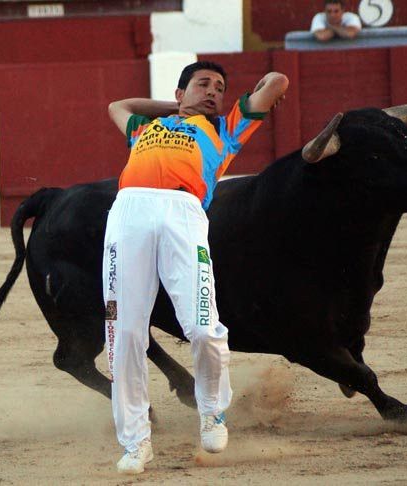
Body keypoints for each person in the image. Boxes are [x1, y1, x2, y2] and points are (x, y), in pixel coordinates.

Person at [104, 61, 288, 474]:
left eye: (219, 87)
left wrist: (208, 106)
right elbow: (117, 104)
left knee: (204, 326)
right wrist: (177, 107)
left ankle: (212, 412)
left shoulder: (227, 129)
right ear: (179, 92)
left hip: (184, 214)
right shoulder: (142, 129)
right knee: (123, 334)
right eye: (202, 84)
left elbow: (277, 82)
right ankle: (135, 442)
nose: (213, 91)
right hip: (129, 212)